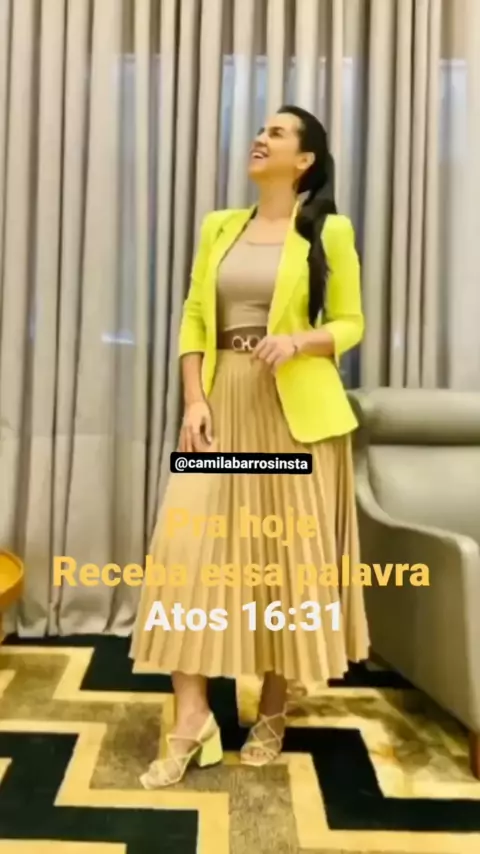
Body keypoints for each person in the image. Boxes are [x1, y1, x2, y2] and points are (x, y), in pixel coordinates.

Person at [130, 105, 370, 788]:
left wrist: (299, 341)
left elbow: (351, 322)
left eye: (278, 133)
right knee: (184, 557)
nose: (261, 138)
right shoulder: (220, 226)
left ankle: (272, 706)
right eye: (261, 130)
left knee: (281, 562)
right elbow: (194, 317)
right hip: (224, 403)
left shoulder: (328, 230)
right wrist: (194, 399)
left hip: (293, 414)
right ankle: (192, 720)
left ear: (305, 160)